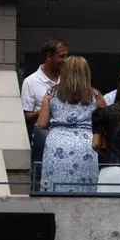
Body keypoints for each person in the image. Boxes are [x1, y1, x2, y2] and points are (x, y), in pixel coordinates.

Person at [36, 55, 103, 193]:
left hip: (57, 144)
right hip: (86, 145)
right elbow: (106, 120)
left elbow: (42, 123)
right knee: (85, 190)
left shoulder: (51, 93)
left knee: (54, 187)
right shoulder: (95, 95)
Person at [21, 38, 68, 126]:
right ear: (49, 56)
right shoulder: (30, 82)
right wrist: (47, 109)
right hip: (43, 135)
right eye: (61, 56)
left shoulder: (69, 79)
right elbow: (26, 117)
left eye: (66, 56)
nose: (65, 60)